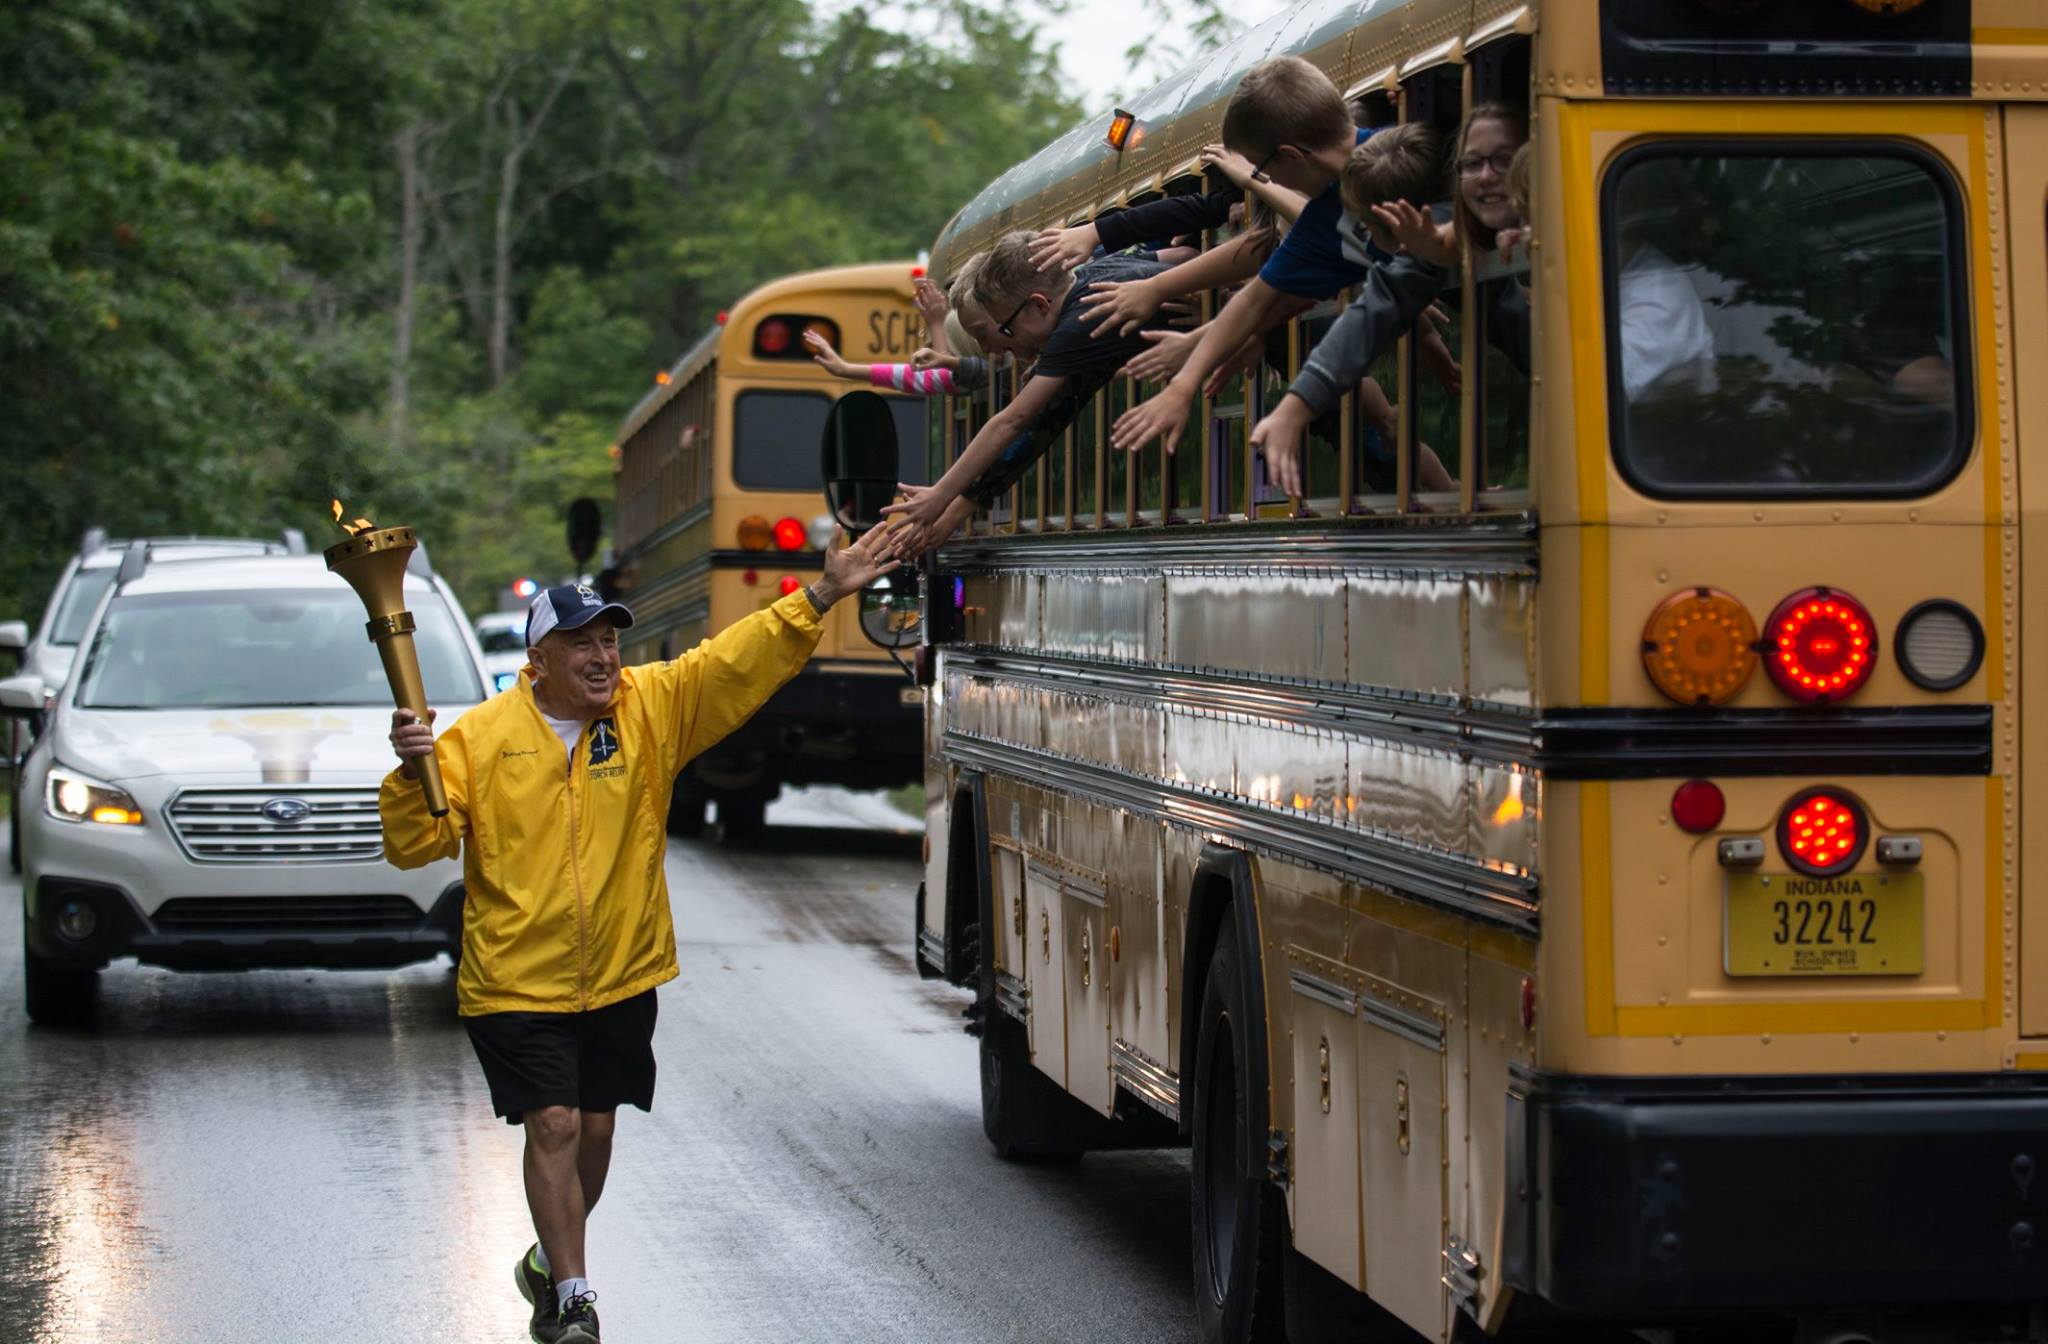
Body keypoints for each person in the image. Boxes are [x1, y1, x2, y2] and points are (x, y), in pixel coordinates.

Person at [380, 532, 899, 1344]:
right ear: (538, 660)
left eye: (609, 639)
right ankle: (576, 1299)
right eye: (581, 643)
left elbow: (733, 663)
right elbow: (415, 842)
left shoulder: (648, 708)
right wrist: (411, 774)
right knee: (552, 1125)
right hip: (517, 980)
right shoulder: (477, 741)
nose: (602, 657)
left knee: (595, 1132)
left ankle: (550, 1261)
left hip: (620, 974)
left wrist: (821, 597)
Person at [1109, 56, 1393, 456]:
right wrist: (1184, 384)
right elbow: (1255, 300)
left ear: (1291, 156)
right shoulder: (1322, 222)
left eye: (1264, 173)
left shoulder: (1401, 156)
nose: (1270, 184)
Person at [1251, 106, 1534, 496]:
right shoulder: (1442, 236)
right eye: (1471, 164)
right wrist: (1295, 406)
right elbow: (1375, 309)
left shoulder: (1553, 216)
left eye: (1504, 160)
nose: (1486, 176)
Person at [877, 230, 1174, 556]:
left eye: (1003, 329)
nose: (993, 349)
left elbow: (1015, 421)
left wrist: (942, 495)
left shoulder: (1077, 326)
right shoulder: (1092, 276)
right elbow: (1180, 255)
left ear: (1037, 304)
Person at [803, 327, 989, 396]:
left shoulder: (995, 373)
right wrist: (845, 369)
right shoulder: (974, 376)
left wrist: (846, 370)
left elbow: (939, 376)